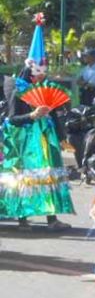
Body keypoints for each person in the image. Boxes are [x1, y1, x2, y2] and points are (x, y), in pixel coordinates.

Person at [1, 16, 74, 232]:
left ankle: (52, 218)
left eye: (43, 72)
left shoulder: (46, 90)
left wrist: (62, 139)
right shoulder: (17, 91)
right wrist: (32, 115)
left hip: (46, 141)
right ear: (30, 71)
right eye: (38, 73)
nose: (41, 77)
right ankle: (22, 217)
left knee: (48, 177)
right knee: (23, 179)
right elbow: (12, 119)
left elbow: (54, 117)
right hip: (24, 144)